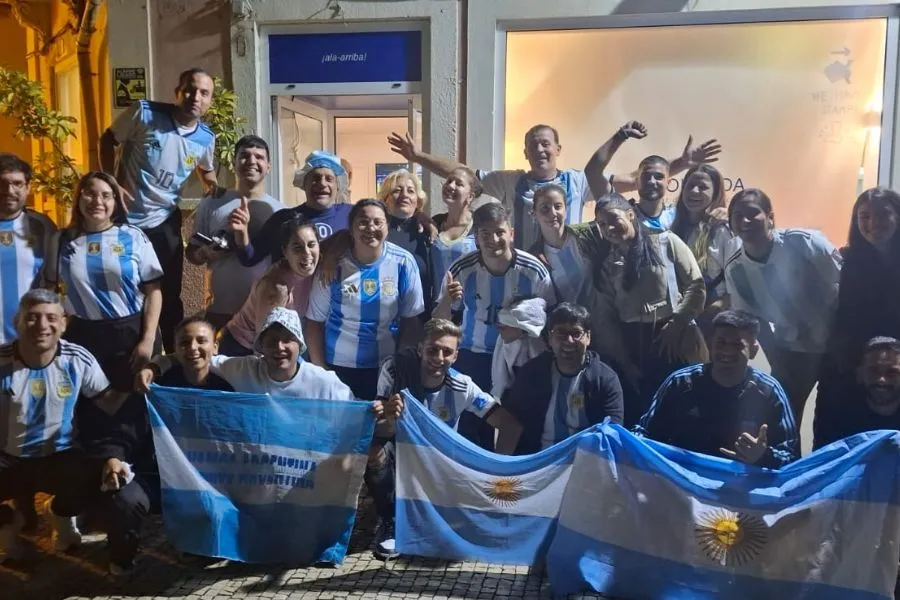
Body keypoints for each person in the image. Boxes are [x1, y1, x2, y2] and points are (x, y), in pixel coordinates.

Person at [389, 124, 720, 250]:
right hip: (524, 271)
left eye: (546, 143)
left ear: (558, 149)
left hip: (570, 272)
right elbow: (461, 172)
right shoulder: (510, 181)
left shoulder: (577, 180)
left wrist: (682, 163)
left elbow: (638, 179)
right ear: (526, 153)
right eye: (533, 144)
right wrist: (419, 157)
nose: (540, 149)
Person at [0, 289, 145, 573]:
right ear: (17, 321)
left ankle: (60, 514)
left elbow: (110, 402)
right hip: (6, 456)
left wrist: (147, 385)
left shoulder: (78, 358)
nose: (42, 326)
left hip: (62, 455)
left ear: (64, 323)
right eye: (32, 318)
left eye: (51, 318)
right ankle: (7, 526)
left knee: (96, 481)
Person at [370, 318, 524, 559]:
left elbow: (509, 425)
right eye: (432, 349)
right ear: (420, 349)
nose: (438, 358)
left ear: (455, 357)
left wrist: (498, 471)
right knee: (373, 453)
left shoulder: (462, 386)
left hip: (439, 466)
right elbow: (377, 431)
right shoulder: (394, 369)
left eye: (447, 352)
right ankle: (390, 520)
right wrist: (390, 417)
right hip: (401, 459)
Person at [100, 67, 218, 352]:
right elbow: (108, 139)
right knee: (124, 289)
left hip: (165, 223)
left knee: (169, 294)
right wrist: (112, 184)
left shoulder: (205, 138)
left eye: (204, 93)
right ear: (177, 92)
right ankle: (129, 351)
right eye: (190, 89)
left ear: (210, 101)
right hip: (125, 221)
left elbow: (206, 171)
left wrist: (217, 192)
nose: (196, 97)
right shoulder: (144, 113)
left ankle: (175, 359)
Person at [433, 203, 555, 448]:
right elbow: (439, 321)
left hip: (520, 358)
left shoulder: (533, 270)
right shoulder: (462, 269)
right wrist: (448, 299)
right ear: (476, 237)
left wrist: (522, 330)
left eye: (499, 232)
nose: (493, 239)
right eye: (485, 234)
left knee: (519, 425)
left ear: (511, 233)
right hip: (473, 355)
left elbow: (550, 315)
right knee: (473, 427)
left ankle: (509, 481)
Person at [725, 188, 841, 420]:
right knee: (782, 421)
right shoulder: (736, 270)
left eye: (753, 213)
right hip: (792, 351)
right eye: (737, 215)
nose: (745, 220)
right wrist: (778, 361)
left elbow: (845, 287)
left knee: (834, 419)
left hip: (838, 345)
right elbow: (753, 321)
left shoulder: (805, 243)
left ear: (770, 217)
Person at [593, 194, 708, 426]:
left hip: (675, 340)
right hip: (635, 348)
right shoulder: (607, 265)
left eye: (614, 219)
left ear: (631, 214)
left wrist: (677, 323)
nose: (609, 228)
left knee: (685, 415)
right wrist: (624, 362)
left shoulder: (666, 242)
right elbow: (606, 318)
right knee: (642, 417)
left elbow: (696, 286)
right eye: (602, 225)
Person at [44, 172, 163, 392]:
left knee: (133, 405)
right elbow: (51, 291)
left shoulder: (133, 236)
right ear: (79, 198)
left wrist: (147, 339)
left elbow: (154, 292)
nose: (97, 201)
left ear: (115, 202)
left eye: (106, 195)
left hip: (130, 333)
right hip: (82, 335)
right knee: (89, 408)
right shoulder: (61, 240)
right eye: (90, 194)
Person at [636, 310, 800, 468]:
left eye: (737, 345)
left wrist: (762, 457)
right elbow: (643, 436)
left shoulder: (769, 392)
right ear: (710, 344)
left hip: (741, 489)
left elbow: (791, 459)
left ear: (753, 351)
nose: (727, 351)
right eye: (721, 343)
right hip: (683, 485)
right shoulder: (681, 383)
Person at [305, 199, 425, 400]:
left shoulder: (403, 263)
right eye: (363, 222)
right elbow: (314, 321)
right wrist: (321, 371)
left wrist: (399, 368)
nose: (370, 228)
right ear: (351, 229)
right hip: (337, 368)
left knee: (381, 429)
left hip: (384, 368)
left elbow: (411, 321)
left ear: (388, 227)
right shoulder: (333, 265)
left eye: (378, 222)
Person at [138, 307, 355, 401]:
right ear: (260, 347)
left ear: (300, 345)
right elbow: (196, 356)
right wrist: (155, 366)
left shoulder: (323, 382)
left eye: (287, 340)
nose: (279, 347)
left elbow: (357, 410)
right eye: (271, 341)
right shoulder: (244, 369)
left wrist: (379, 412)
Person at [187, 135, 283, 329]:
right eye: (245, 156)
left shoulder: (280, 211)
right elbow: (191, 253)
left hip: (262, 311)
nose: (252, 162)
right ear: (234, 162)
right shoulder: (212, 202)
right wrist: (204, 252)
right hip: (220, 312)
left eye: (259, 157)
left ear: (269, 166)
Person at [503, 303, 625, 454]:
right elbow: (512, 423)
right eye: (561, 333)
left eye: (576, 333)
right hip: (539, 460)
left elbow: (613, 433)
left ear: (588, 337)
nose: (569, 341)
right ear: (550, 337)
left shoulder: (605, 379)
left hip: (587, 462)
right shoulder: (532, 373)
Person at [586, 121, 723, 230]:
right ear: (636, 181)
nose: (652, 182)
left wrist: (725, 215)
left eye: (659, 177)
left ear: (669, 182)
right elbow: (592, 172)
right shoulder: (622, 213)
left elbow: (710, 210)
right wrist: (620, 136)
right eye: (646, 176)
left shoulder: (679, 218)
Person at [218, 217, 319, 357]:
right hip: (241, 349)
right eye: (297, 247)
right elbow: (265, 345)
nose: (307, 253)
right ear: (285, 251)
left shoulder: (316, 269)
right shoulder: (276, 288)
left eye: (311, 245)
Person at [230, 150, 351, 266]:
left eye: (329, 179)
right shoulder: (283, 219)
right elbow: (250, 258)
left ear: (338, 186)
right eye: (315, 178)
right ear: (304, 184)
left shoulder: (352, 215)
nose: (322, 184)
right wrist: (242, 233)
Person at [669, 164, 739, 333]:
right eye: (690, 185)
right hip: (680, 318)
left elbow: (738, 282)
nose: (694, 191)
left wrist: (715, 309)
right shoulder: (673, 226)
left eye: (703, 187)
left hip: (713, 321)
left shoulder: (722, 230)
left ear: (715, 193)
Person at [0, 154, 56, 345]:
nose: (9, 190)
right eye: (2, 183)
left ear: (28, 187)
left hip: (28, 341)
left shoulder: (43, 226)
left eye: (17, 183)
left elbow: (54, 283)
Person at [529, 184, 611, 308]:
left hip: (604, 318)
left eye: (558, 207)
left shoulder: (590, 233)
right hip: (569, 324)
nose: (553, 213)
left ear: (565, 210)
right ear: (534, 213)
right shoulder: (534, 257)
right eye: (545, 208)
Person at [814, 337, 900, 450]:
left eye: (892, 372)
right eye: (874, 371)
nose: (881, 380)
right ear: (860, 374)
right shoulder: (838, 418)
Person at [378, 169, 435, 317]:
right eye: (397, 190)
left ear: (418, 201)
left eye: (410, 191)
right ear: (385, 199)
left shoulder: (430, 230)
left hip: (422, 316)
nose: (404, 195)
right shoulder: (376, 232)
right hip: (383, 316)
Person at [430, 167, 481, 302]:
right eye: (449, 181)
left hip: (471, 310)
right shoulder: (435, 222)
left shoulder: (479, 226)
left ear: (470, 196)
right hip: (439, 309)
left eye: (459, 183)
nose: (450, 186)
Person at [491, 296, 548, 400]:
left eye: (503, 327)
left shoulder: (537, 347)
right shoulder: (503, 342)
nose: (498, 329)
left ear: (522, 330)